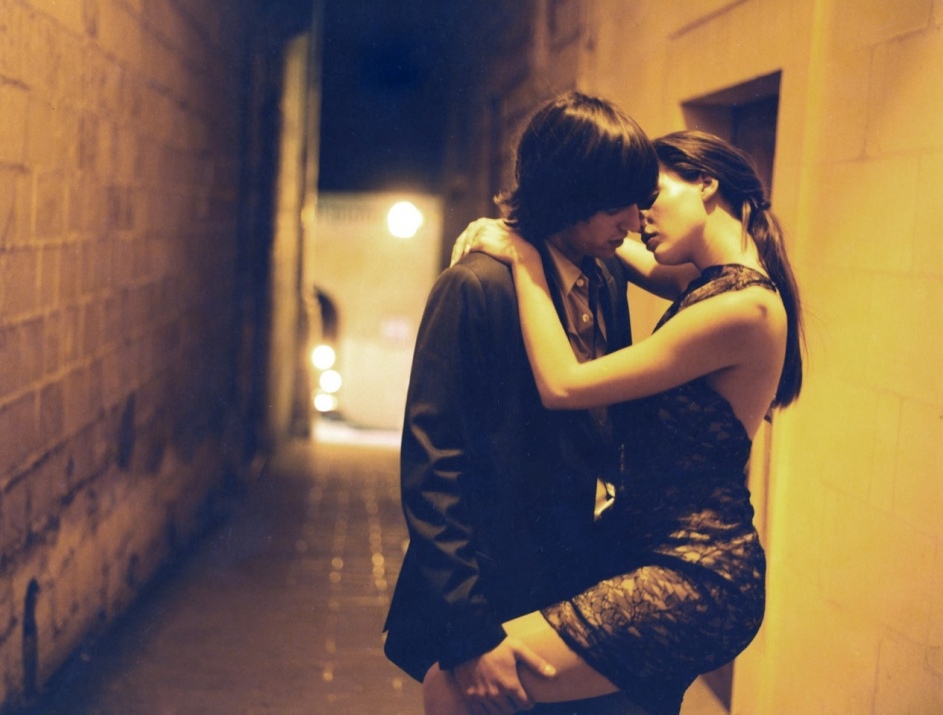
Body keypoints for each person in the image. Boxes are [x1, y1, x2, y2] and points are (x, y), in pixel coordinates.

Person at [433, 130, 804, 714]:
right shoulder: (713, 282)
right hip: (644, 548)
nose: (637, 218)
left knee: (451, 685)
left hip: (695, 572)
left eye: (649, 197)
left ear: (706, 184)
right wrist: (544, 226)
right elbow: (618, 250)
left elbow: (564, 385)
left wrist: (524, 258)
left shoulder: (744, 308)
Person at [383, 91, 660, 714]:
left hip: (574, 584)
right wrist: (469, 637)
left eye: (639, 203)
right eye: (616, 205)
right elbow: (433, 471)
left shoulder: (606, 275)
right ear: (566, 193)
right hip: (494, 594)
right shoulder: (475, 288)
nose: (634, 222)